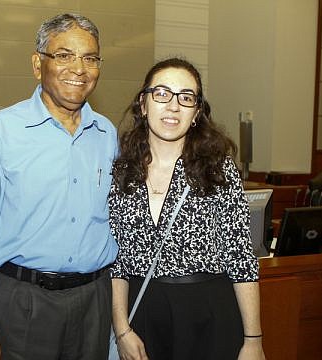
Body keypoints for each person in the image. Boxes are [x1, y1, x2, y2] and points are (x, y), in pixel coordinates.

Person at [0, 13, 119, 360]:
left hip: (95, 301)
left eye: (90, 58)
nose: (79, 68)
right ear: (37, 64)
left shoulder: (107, 134)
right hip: (23, 303)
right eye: (64, 55)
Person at [109, 58, 266, 360]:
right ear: (143, 104)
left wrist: (253, 339)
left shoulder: (217, 169)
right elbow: (117, 261)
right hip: (143, 314)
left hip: (209, 314)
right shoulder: (123, 171)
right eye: (162, 94)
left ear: (196, 113)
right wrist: (122, 328)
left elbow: (241, 257)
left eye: (186, 97)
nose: (173, 106)